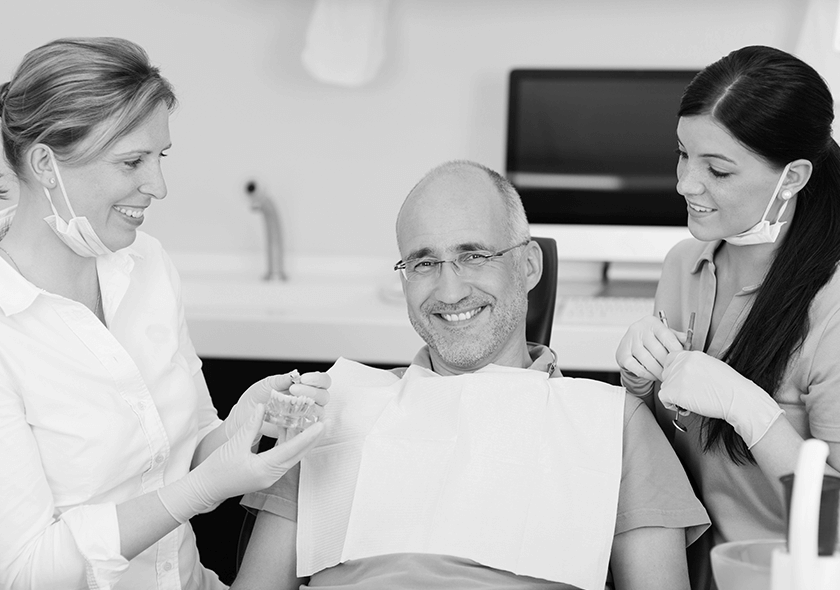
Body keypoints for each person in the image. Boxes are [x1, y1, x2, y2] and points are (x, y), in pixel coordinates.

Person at [234, 160, 709, 590]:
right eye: (424, 263)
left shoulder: (613, 424)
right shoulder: (334, 413)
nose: (449, 288)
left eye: (474, 256)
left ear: (528, 266)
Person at [0, 37, 329, 589]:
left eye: (160, 157)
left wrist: (239, 428)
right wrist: (203, 490)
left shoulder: (145, 264)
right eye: (132, 161)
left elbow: (187, 446)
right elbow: (26, 569)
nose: (158, 186)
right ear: (44, 164)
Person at [615, 45, 840, 588]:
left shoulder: (833, 309)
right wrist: (639, 384)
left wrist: (752, 412)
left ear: (792, 177)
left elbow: (833, 533)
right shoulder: (683, 266)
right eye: (682, 154)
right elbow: (667, 461)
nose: (685, 184)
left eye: (717, 169)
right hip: (678, 569)